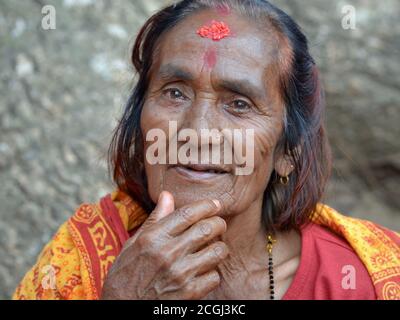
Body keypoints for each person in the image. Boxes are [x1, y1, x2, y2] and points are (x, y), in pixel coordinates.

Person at [13, 0, 399, 300]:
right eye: (175, 92)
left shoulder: (364, 277)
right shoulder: (82, 264)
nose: (197, 131)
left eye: (239, 104)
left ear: (289, 151)